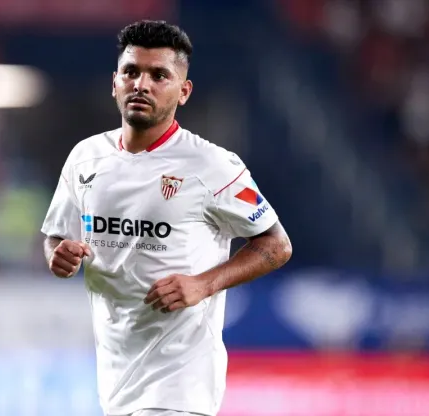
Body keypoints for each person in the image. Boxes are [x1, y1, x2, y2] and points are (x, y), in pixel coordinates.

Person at [41, 20, 292, 416]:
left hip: (180, 386)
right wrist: (58, 254)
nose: (141, 84)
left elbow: (276, 246)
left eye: (159, 75)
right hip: (117, 382)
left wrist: (203, 284)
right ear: (114, 82)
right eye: (131, 72)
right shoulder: (85, 157)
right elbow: (55, 237)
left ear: (184, 91)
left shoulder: (212, 165)